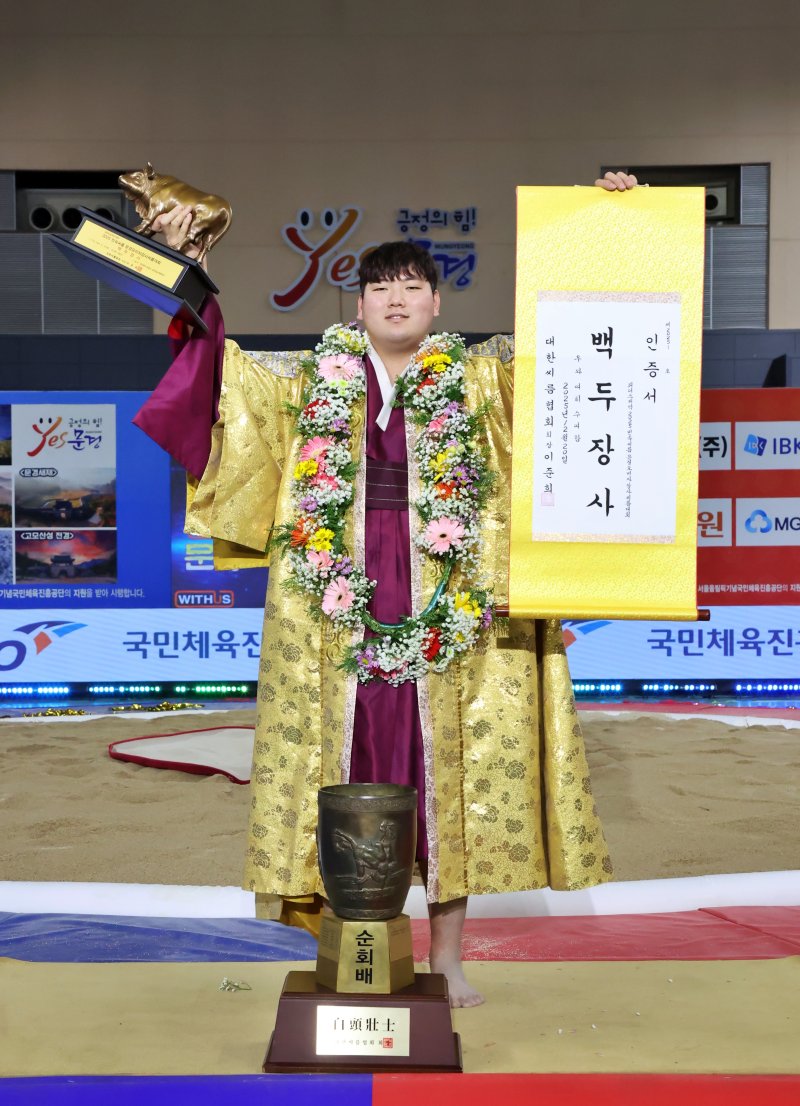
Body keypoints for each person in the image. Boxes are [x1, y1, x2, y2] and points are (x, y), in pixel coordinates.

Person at [144, 171, 637, 1007]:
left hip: (451, 599)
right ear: (359, 305)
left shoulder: (482, 381)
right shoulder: (310, 381)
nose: (396, 298)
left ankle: (447, 957)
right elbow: (215, 378)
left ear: (437, 304)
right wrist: (183, 273)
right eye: (380, 287)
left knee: (450, 772)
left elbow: (579, 345)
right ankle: (353, 947)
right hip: (337, 606)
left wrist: (608, 228)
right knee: (351, 762)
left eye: (412, 286)